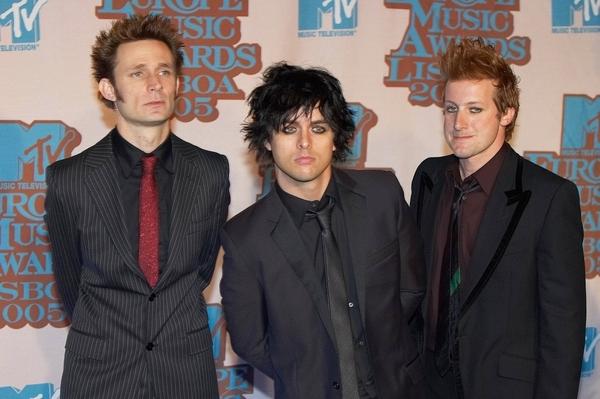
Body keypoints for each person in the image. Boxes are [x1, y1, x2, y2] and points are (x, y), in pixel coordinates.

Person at [44, 14, 229, 398]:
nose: (154, 83)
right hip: (98, 371)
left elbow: (200, 272)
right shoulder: (70, 178)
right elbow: (70, 283)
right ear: (109, 88)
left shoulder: (211, 172)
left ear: (178, 84)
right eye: (137, 73)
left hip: (185, 371)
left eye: (164, 71)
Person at [220, 62, 426, 398]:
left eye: (318, 128)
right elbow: (250, 341)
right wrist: (308, 373)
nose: (304, 143)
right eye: (288, 129)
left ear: (336, 137)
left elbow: (410, 288)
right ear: (267, 140)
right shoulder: (244, 237)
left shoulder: (382, 195)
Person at [410, 37, 585, 399]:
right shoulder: (428, 178)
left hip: (503, 388)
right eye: (450, 108)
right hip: (427, 385)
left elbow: (562, 329)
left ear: (507, 113)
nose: (459, 123)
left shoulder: (549, 197)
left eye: (475, 109)